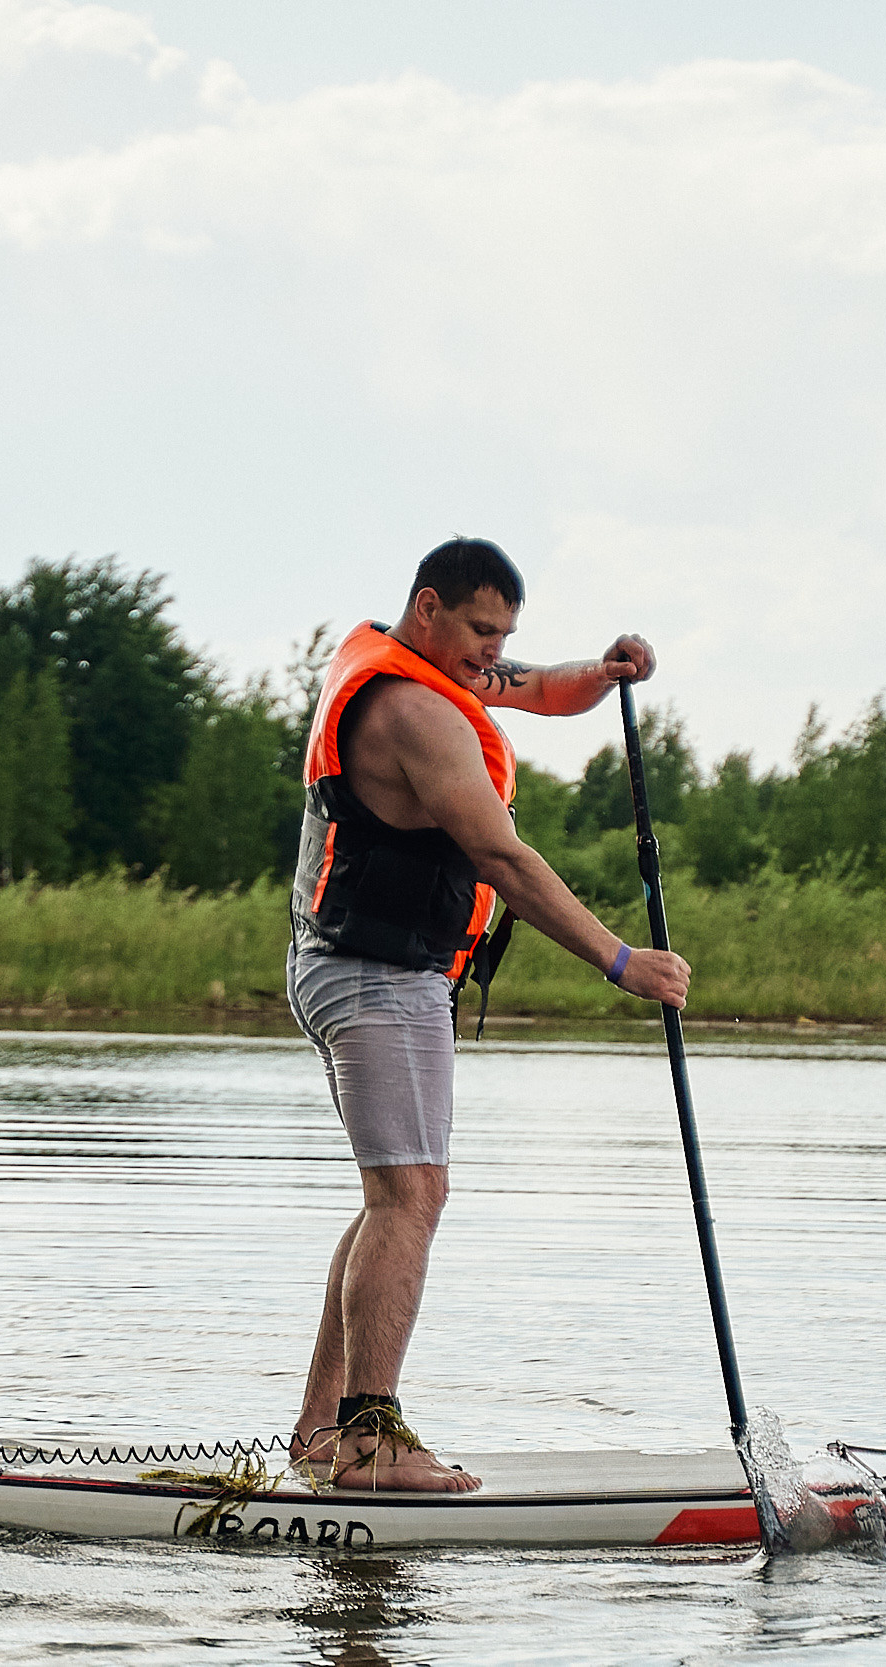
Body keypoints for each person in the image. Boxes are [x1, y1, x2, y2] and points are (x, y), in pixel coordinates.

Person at [286, 536, 692, 1493]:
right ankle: (369, 1443)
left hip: (362, 967)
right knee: (410, 1197)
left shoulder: (431, 664)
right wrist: (622, 960)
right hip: (376, 975)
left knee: (394, 1196)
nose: (492, 653)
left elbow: (542, 688)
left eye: (502, 635)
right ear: (427, 607)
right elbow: (502, 859)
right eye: (479, 631)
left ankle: (321, 1432)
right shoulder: (414, 710)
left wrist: (603, 673)